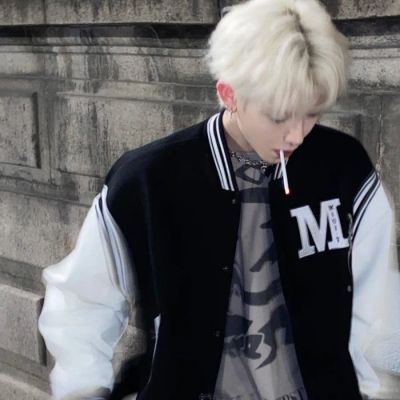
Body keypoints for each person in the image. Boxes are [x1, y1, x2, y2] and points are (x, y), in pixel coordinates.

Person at [38, 0, 400, 399]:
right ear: (229, 94)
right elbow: (82, 303)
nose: (297, 134)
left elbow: (374, 306)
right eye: (279, 115)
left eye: (311, 113)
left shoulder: (346, 169)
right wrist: (85, 391)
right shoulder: (148, 179)